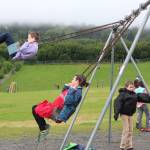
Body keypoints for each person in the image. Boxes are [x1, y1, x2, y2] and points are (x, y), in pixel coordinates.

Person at [32, 74, 89, 142]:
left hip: (58, 113)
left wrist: (72, 89)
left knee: (36, 110)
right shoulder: (73, 89)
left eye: (73, 79)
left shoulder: (78, 93)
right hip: (54, 107)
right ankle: (44, 127)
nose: (71, 80)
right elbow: (63, 93)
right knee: (35, 107)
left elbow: (68, 101)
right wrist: (67, 86)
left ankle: (44, 129)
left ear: (77, 81)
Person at [114, 81, 150, 150]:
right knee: (126, 130)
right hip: (124, 114)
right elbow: (117, 103)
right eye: (130, 87)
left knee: (131, 130)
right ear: (126, 87)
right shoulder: (123, 94)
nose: (132, 88)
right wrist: (116, 113)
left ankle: (129, 146)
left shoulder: (135, 95)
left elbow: (143, 97)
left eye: (133, 87)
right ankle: (122, 146)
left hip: (130, 114)